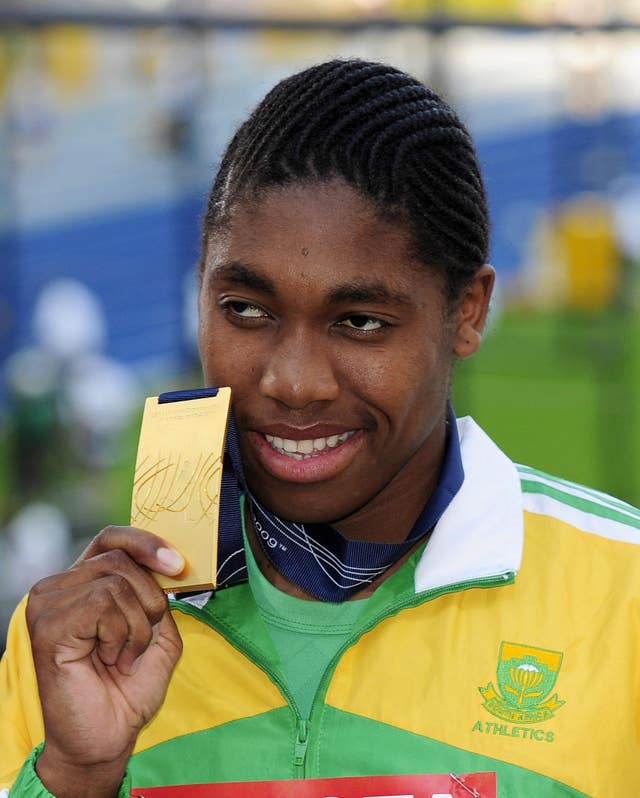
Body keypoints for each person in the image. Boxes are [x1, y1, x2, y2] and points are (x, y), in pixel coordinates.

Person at [1, 58, 639, 798]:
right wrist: (78, 775)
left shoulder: (622, 603)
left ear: (467, 312)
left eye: (360, 321)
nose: (292, 382)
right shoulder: (75, 640)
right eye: (246, 309)